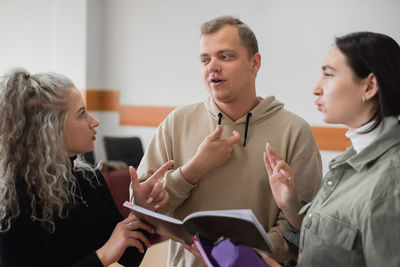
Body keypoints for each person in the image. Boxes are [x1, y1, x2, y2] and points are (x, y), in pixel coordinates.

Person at [133, 15, 322, 266]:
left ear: (255, 63)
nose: (212, 66)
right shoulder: (176, 122)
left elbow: (300, 227)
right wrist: (193, 170)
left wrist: (236, 257)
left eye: (225, 57)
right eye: (205, 59)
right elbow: (145, 207)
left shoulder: (295, 131)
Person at [0, 69, 173, 267]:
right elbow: (109, 252)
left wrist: (143, 211)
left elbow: (130, 256)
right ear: (50, 130)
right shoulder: (13, 202)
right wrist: (103, 256)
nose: (94, 121)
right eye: (82, 114)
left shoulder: (89, 179)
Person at [264, 31, 400, 267]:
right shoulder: (352, 158)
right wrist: (291, 205)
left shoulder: (392, 183)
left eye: (328, 74)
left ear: (369, 86)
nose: (316, 88)